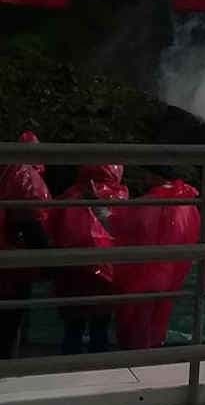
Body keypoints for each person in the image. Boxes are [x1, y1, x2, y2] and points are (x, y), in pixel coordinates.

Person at [109, 180, 200, 349]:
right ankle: (153, 349)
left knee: (140, 317)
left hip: (149, 272)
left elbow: (127, 226)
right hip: (169, 273)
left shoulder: (152, 204)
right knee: (158, 315)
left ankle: (138, 353)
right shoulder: (188, 206)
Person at [52, 164, 128, 354]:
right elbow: (123, 230)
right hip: (106, 272)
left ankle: (68, 365)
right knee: (100, 326)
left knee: (73, 327)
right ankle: (98, 367)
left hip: (73, 270)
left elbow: (52, 228)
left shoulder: (69, 195)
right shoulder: (118, 196)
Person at [0, 136, 51, 359]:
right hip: (11, 269)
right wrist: (49, 262)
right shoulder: (24, 175)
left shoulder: (7, 171)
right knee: (8, 329)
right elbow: (30, 223)